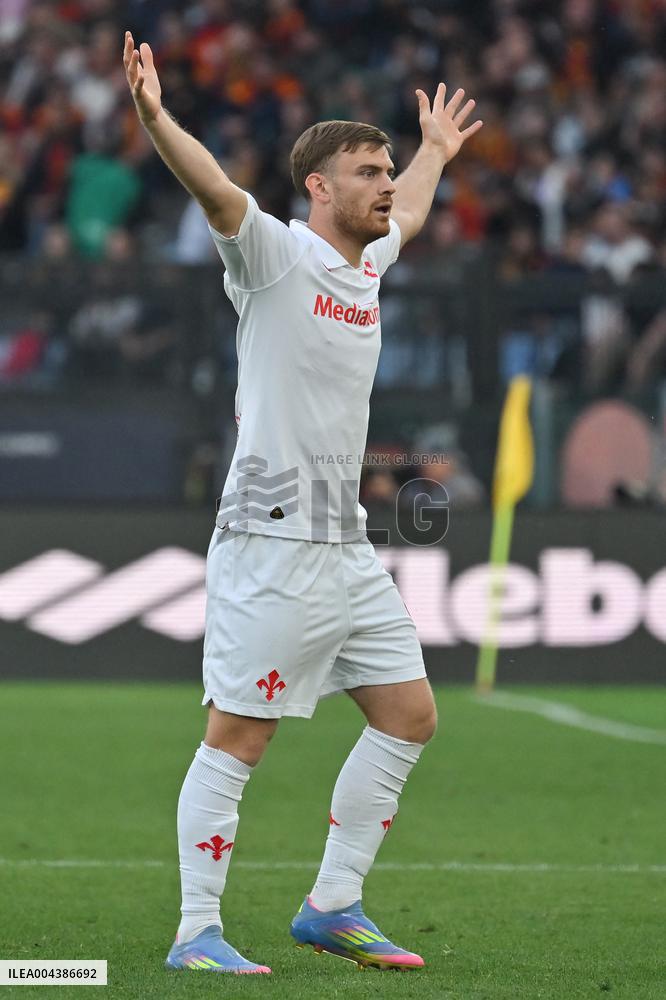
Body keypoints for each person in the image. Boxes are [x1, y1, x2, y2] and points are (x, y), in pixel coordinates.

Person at [123, 29, 482, 976]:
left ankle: (333, 905)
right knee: (238, 737)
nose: (385, 184)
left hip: (345, 543)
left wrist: (437, 153)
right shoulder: (274, 256)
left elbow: (407, 215)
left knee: (409, 714)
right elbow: (212, 187)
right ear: (318, 186)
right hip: (270, 539)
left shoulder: (367, 264)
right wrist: (158, 118)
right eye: (369, 171)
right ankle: (196, 932)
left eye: (388, 169)